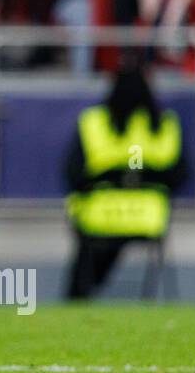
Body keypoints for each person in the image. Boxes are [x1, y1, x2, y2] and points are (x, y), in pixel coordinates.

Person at [63, 62, 187, 299]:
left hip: (100, 217)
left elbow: (73, 175)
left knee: (88, 247)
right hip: (149, 218)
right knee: (103, 247)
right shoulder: (165, 124)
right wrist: (143, 182)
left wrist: (110, 181)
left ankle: (78, 296)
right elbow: (180, 175)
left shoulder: (94, 122)